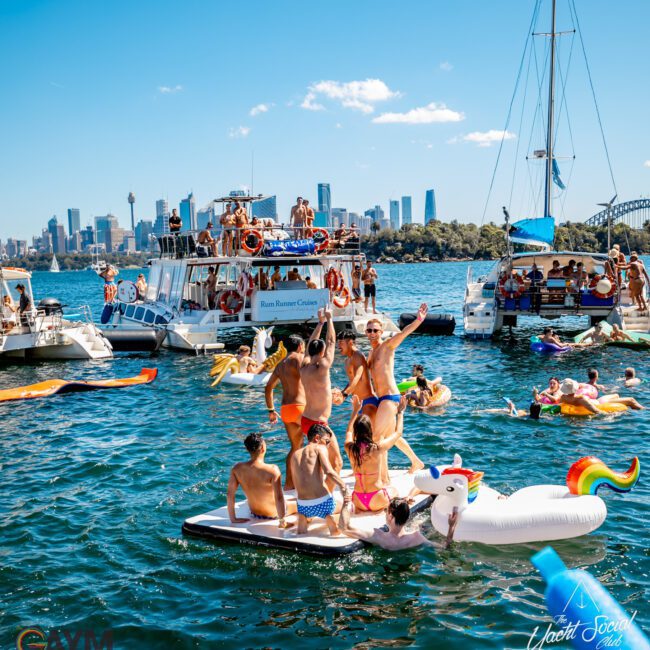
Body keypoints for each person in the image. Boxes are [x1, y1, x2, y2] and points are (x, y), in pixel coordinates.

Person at [366, 305, 427, 474]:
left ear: (381, 332)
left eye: (375, 330)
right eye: (369, 330)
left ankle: (381, 475)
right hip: (380, 399)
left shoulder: (387, 346)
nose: (372, 333)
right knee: (392, 435)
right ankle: (416, 462)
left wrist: (419, 319)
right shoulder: (370, 354)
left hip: (390, 397)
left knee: (377, 437)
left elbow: (404, 333)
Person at [300, 308, 343, 486]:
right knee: (337, 462)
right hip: (319, 424)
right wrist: (330, 319)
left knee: (317, 461)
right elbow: (331, 341)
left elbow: (311, 344)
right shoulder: (323, 366)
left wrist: (320, 323)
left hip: (306, 421)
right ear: (322, 351)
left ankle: (313, 489)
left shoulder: (304, 366)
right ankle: (327, 495)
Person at [343, 395, 405, 512]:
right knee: (394, 491)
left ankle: (362, 509)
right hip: (377, 498)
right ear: (370, 430)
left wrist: (355, 411)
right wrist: (400, 412)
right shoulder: (377, 448)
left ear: (356, 431)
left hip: (357, 499)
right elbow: (398, 433)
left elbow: (348, 431)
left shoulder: (349, 448)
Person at [290, 423, 350, 536]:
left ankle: (302, 524)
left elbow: (296, 481)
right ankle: (331, 522)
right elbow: (329, 471)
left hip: (303, 506)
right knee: (343, 506)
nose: (327, 445)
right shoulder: (319, 448)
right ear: (317, 438)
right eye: (327, 441)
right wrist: (343, 486)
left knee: (303, 521)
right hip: (323, 503)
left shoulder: (295, 454)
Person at [265, 335, 307, 490]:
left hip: (286, 410)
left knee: (295, 447)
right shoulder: (299, 358)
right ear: (300, 346)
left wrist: (271, 410)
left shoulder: (280, 364)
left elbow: (268, 387)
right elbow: (310, 376)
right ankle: (308, 482)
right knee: (316, 444)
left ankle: (289, 484)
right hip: (301, 406)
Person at [227, 433, 295, 526]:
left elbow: (230, 495)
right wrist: (282, 521)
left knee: (291, 499)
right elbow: (279, 498)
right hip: (273, 514)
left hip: (254, 513)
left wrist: (233, 519)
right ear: (263, 448)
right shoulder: (272, 470)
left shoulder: (237, 468)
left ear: (247, 449)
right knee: (301, 504)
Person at [339, 497, 434, 550]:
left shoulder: (380, 537)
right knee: (419, 525)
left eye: (386, 511)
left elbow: (344, 528)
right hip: (407, 572)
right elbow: (443, 547)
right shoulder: (417, 537)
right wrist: (449, 528)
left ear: (391, 516)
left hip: (388, 571)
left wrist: (345, 504)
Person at [333, 331, 378, 420]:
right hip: (358, 404)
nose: (338, 346)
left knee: (370, 433)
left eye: (341, 343)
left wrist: (345, 394)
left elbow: (358, 377)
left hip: (368, 402)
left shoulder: (358, 355)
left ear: (350, 343)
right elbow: (351, 381)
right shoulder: (347, 361)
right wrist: (341, 394)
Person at [559, 378, 643, 414]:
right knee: (631, 400)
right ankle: (644, 410)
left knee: (616, 395)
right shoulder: (581, 398)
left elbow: (559, 405)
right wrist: (610, 415)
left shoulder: (563, 397)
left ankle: (635, 410)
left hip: (597, 401)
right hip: (600, 403)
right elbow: (596, 411)